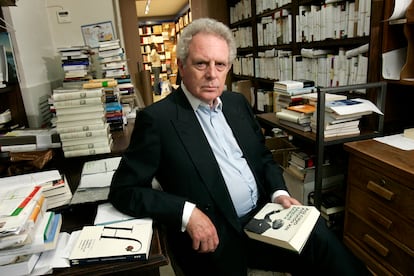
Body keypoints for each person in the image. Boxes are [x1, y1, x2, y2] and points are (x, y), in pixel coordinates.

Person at [109, 18, 369, 276]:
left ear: (228, 67)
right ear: (181, 65)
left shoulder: (236, 104)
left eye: (220, 65)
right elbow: (125, 190)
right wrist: (187, 213)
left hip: (263, 218)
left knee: (321, 238)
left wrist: (278, 192)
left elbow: (263, 157)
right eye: (201, 63)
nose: (212, 74)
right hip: (214, 236)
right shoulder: (158, 120)